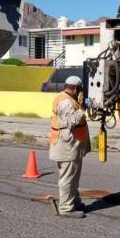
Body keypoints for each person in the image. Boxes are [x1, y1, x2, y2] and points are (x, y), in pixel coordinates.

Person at [49, 76, 90, 218]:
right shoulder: (66, 102)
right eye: (79, 90)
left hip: (72, 146)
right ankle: (66, 208)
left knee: (73, 177)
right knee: (67, 177)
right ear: (74, 88)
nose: (79, 93)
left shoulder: (65, 98)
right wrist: (83, 109)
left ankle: (75, 202)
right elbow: (72, 121)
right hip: (67, 146)